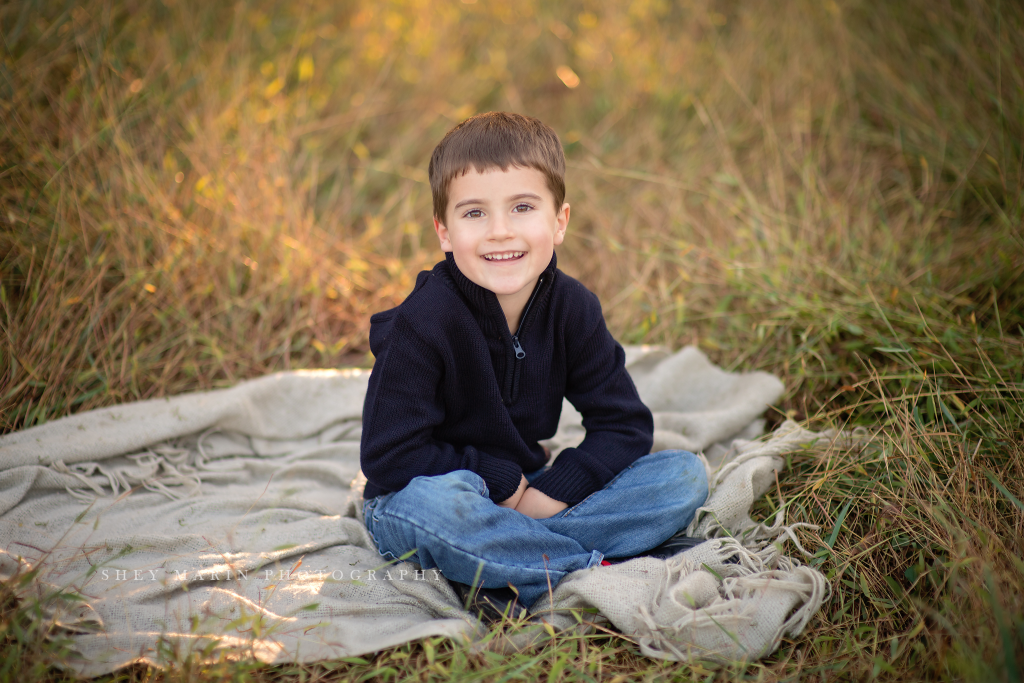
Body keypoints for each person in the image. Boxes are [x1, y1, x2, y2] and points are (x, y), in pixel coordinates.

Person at [359, 111, 708, 613]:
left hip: (534, 495)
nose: (500, 232)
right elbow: (389, 456)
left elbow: (624, 425)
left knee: (682, 476)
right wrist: (502, 484)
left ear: (559, 221)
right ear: (444, 231)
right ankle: (598, 563)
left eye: (522, 207)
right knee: (441, 509)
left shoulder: (573, 309)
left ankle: (505, 570)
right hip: (428, 497)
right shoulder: (423, 323)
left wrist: (551, 494)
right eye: (474, 213)